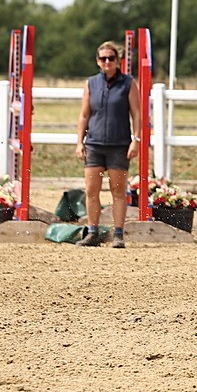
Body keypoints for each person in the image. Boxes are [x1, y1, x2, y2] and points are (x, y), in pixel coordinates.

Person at [75, 41, 141, 248]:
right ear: (97, 61)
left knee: (118, 190)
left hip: (119, 145)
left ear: (117, 61)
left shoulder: (128, 83)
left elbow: (137, 114)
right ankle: (92, 232)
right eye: (103, 58)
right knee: (91, 190)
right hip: (94, 144)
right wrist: (79, 142)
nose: (107, 62)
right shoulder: (91, 84)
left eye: (111, 58)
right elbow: (84, 114)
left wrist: (136, 140)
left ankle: (118, 234)